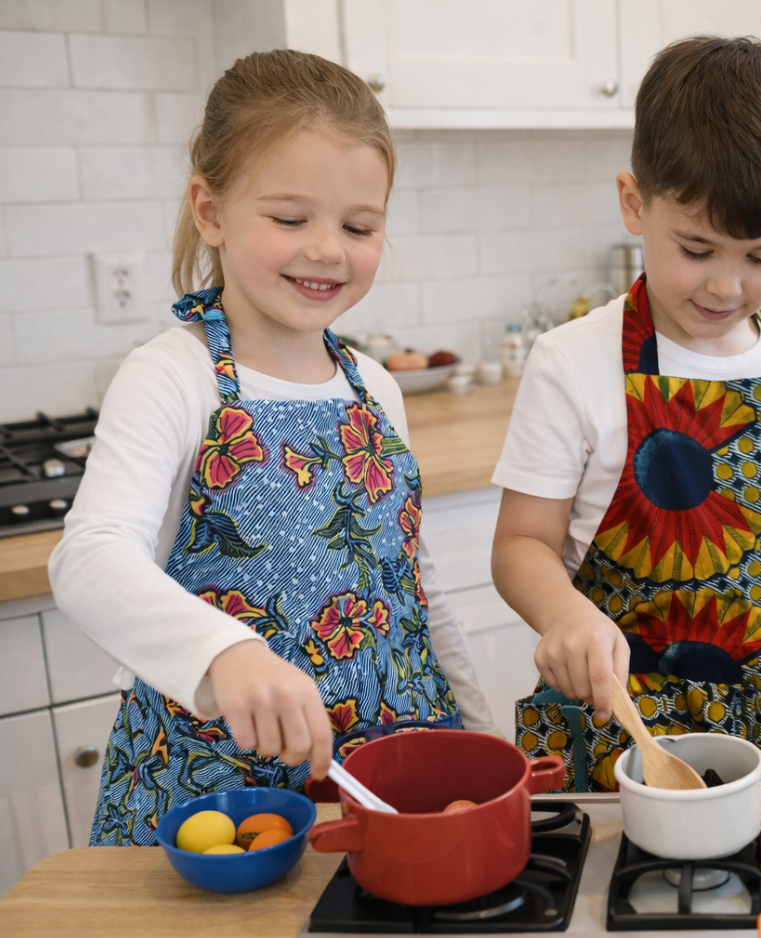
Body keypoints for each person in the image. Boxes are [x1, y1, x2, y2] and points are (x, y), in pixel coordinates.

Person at [49, 50, 496, 846]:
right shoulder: (174, 376)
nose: (327, 248)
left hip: (385, 788)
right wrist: (225, 653)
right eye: (291, 219)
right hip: (218, 803)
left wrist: (484, 741)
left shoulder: (374, 387)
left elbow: (416, 591)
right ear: (211, 211)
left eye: (359, 226)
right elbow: (88, 558)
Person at [491, 36, 761, 791]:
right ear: (635, 203)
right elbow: (520, 546)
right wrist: (564, 617)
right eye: (697, 249)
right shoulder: (571, 362)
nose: (727, 285)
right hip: (625, 723)